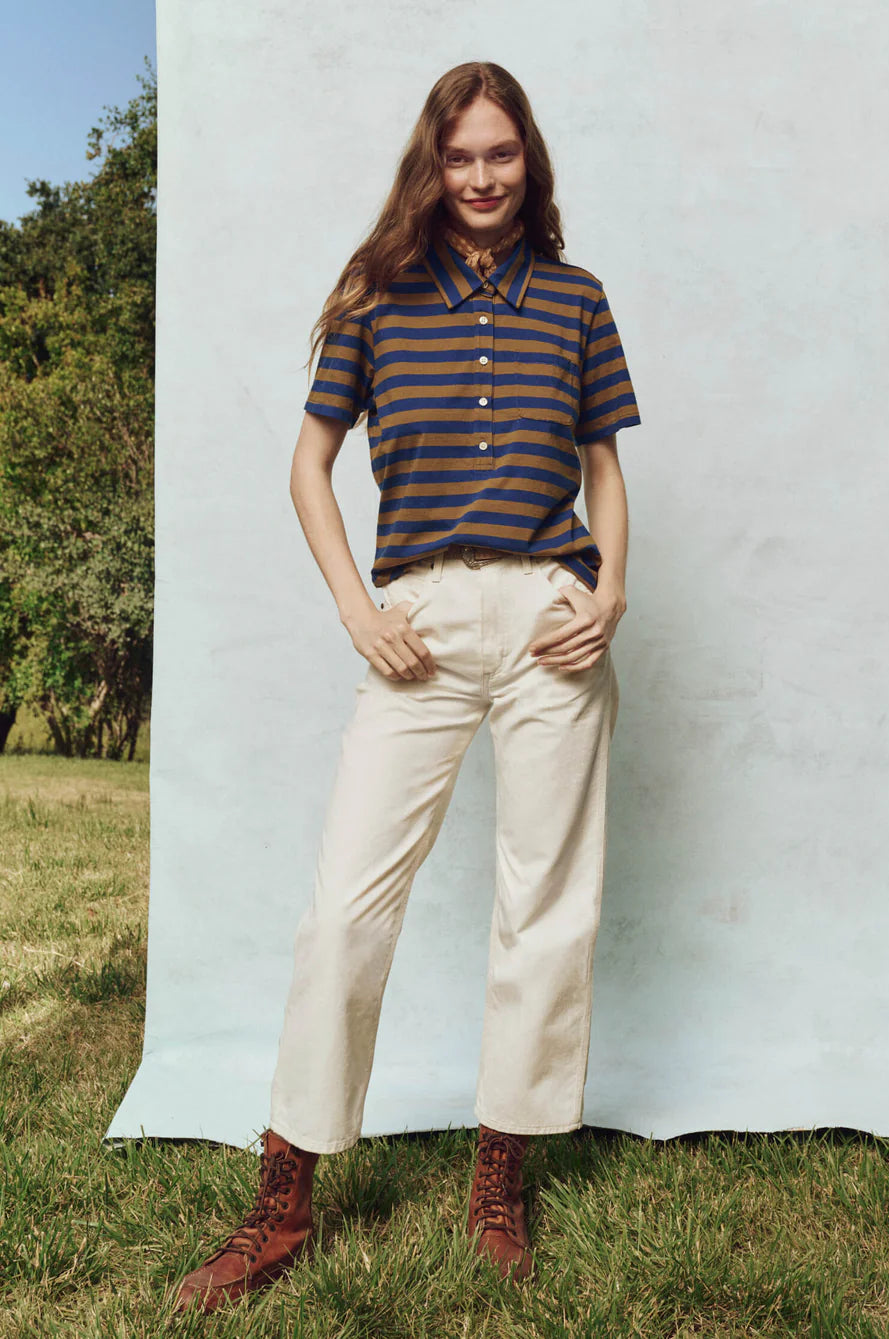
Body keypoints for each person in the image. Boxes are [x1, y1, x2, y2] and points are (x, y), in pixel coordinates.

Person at [173, 59, 641, 1313]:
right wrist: (355, 610)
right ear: (430, 167)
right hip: (422, 617)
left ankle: (501, 1174)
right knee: (345, 909)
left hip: (551, 613)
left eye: (501, 155)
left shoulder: (578, 299)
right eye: (460, 157)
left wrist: (610, 592)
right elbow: (308, 468)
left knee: (545, 902)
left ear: (527, 161)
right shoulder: (376, 295)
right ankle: (284, 1200)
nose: (482, 177)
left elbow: (603, 466)